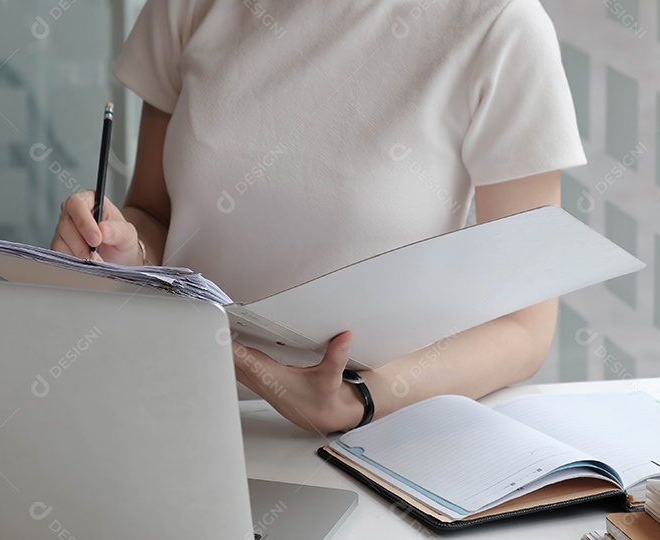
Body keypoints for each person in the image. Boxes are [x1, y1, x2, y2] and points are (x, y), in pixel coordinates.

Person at [50, 0, 585, 432]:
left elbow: (523, 326)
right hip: (172, 407)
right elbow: (152, 215)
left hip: (371, 440)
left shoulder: (499, 25)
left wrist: (358, 399)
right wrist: (125, 248)